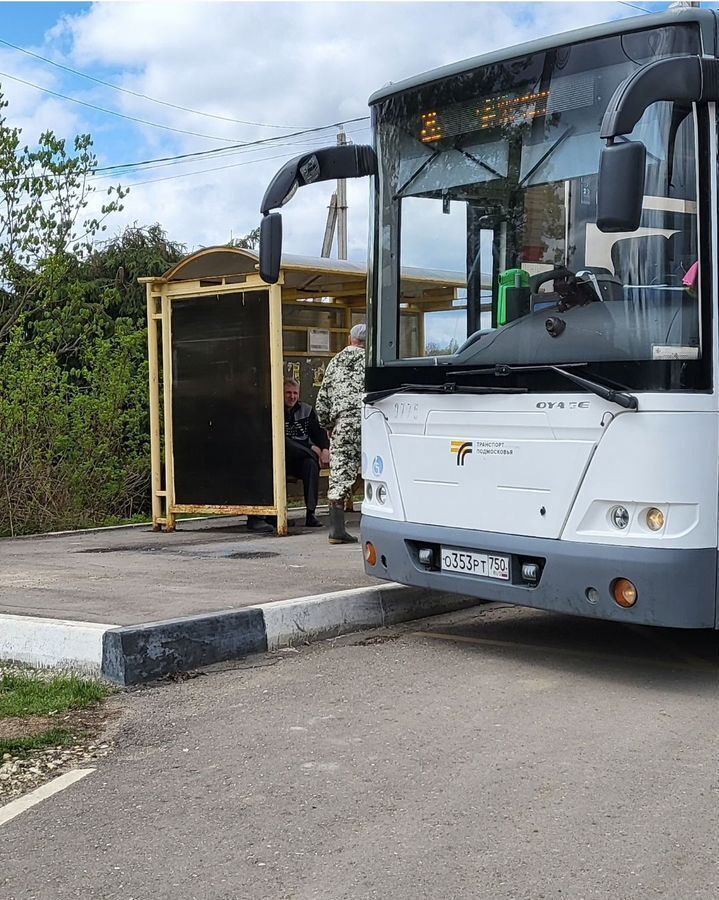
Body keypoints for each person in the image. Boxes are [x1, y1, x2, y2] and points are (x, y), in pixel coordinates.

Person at [247, 378, 329, 532]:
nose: (292, 397)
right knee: (284, 446)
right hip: (276, 459)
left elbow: (318, 432)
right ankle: (261, 517)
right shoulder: (272, 410)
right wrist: (311, 450)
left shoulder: (307, 410)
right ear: (281, 393)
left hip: (299, 460)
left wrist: (324, 449)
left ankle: (311, 514)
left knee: (311, 465)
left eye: (295, 393)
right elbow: (280, 440)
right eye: (288, 393)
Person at [315, 323, 366, 544]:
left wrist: (328, 425)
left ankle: (336, 530)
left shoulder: (335, 362)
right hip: (370, 421)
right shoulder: (371, 361)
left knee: (339, 474)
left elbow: (322, 400)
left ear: (349, 339)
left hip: (342, 423)